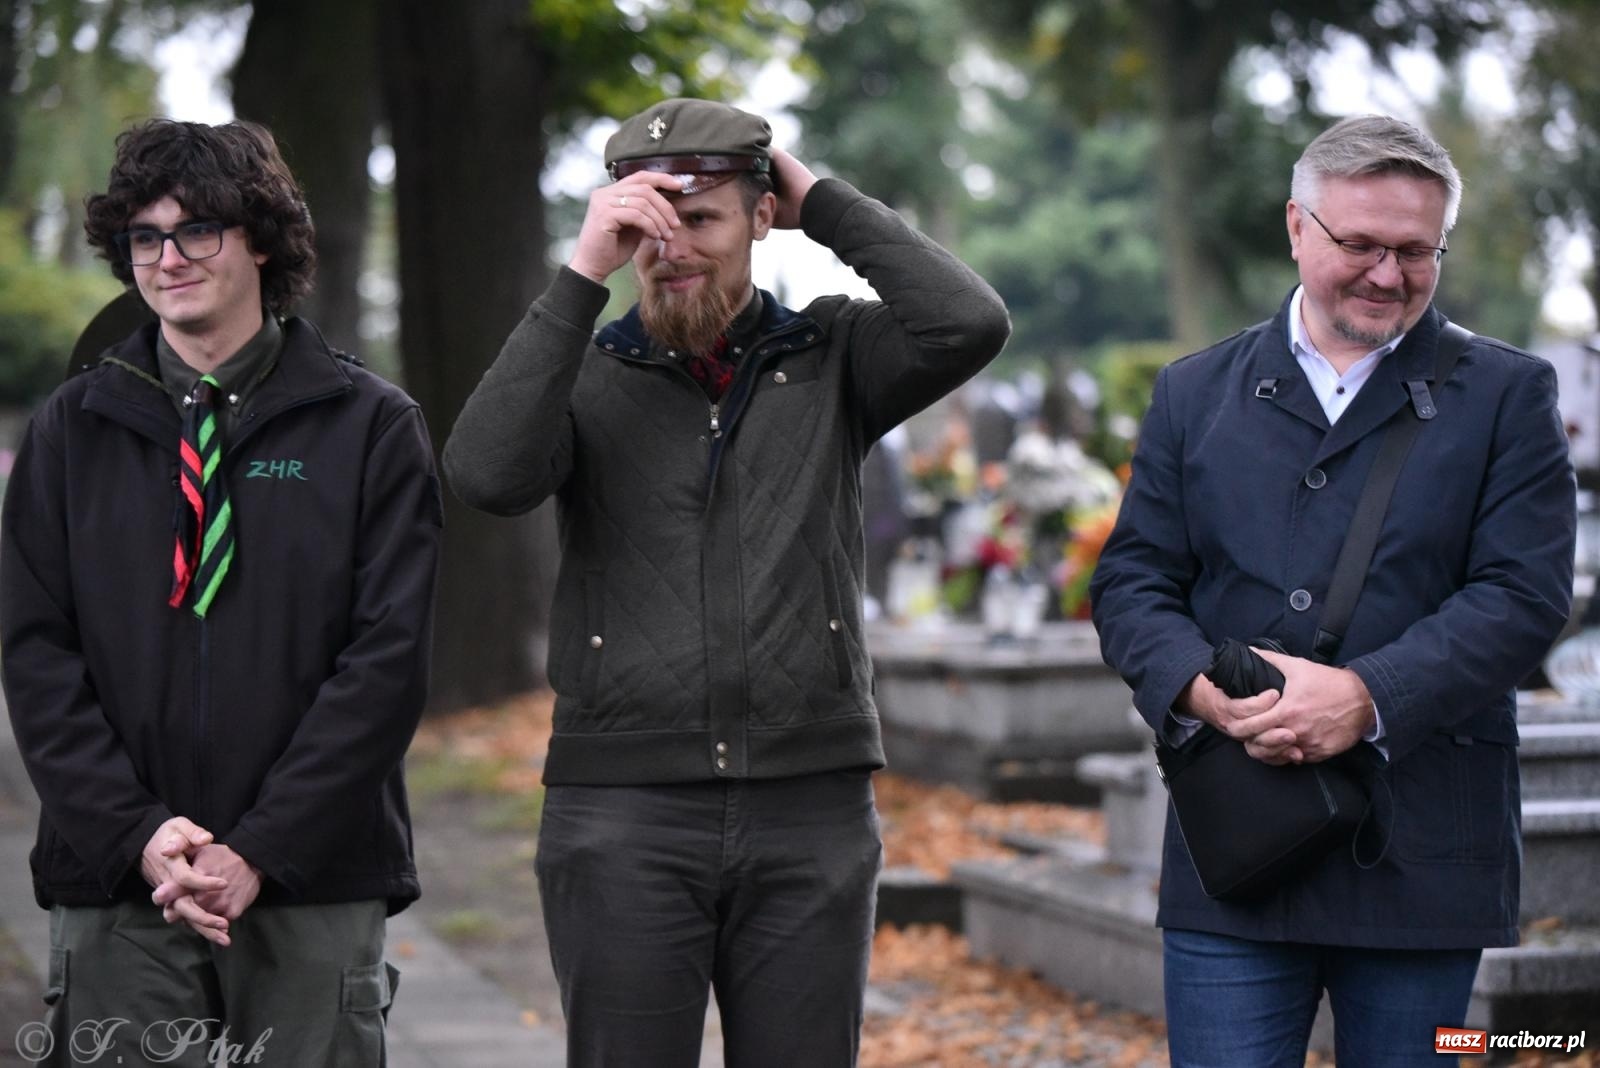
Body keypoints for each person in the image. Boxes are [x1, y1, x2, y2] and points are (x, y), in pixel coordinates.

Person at [444, 97, 1009, 1066]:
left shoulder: (834, 356)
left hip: (812, 807)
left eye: (697, 218)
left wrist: (821, 200)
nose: (670, 249)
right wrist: (584, 270)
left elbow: (969, 322)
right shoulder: (578, 374)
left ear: (760, 215)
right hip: (622, 814)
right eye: (645, 225)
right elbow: (485, 474)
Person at [1089, 114, 1576, 1066]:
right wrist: (1198, 688)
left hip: (1425, 850)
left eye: (1414, 251)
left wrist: (1367, 699)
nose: (1387, 275)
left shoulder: (1508, 393)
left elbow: (1523, 596)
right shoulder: (1195, 391)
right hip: (1233, 844)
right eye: (1359, 244)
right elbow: (1134, 579)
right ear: (1297, 227)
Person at [1, 119, 443, 1065]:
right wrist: (139, 834)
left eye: (197, 229)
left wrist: (262, 847)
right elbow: (36, 656)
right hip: (121, 883)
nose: (168, 258)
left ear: (264, 238)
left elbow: (388, 661)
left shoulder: (371, 428)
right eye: (145, 237)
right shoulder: (70, 433)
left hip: (312, 880)